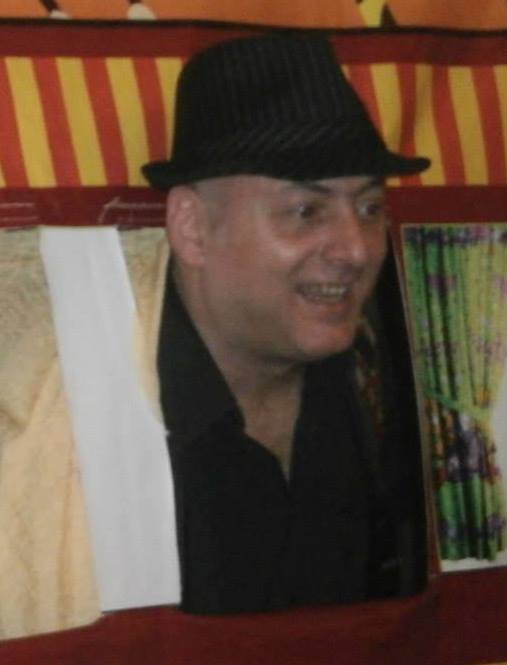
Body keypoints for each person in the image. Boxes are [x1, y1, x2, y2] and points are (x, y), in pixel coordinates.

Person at [142, 32, 430, 615]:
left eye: (371, 208)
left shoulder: (387, 396)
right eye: (306, 211)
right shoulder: (82, 431)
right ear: (193, 227)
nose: (356, 249)